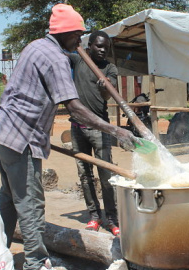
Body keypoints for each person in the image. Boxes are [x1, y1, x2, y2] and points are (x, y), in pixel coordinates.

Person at [0, 4, 139, 270]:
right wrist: (116, 130)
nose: (80, 41)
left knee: (9, 196)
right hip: (21, 138)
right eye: (77, 35)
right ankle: (35, 263)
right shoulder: (57, 59)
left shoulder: (35, 46)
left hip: (2, 132)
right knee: (30, 203)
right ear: (66, 33)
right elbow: (75, 108)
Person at [66, 31, 120, 236]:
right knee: (85, 175)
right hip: (78, 127)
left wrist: (104, 85)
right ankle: (94, 216)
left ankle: (112, 219)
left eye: (106, 47)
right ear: (89, 45)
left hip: (100, 129)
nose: (103, 50)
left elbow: (109, 94)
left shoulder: (109, 68)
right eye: (99, 46)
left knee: (106, 175)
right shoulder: (78, 59)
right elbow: (59, 52)